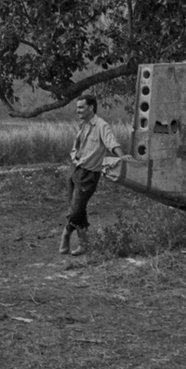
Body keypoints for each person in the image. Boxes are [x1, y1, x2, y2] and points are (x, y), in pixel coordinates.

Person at [60, 94, 127, 256]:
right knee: (78, 209)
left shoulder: (102, 126)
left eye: (81, 107)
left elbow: (112, 143)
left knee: (76, 209)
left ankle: (66, 234)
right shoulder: (83, 124)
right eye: (77, 108)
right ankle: (84, 244)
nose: (78, 111)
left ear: (91, 108)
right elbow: (78, 146)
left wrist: (122, 156)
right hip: (74, 169)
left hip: (88, 174)